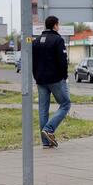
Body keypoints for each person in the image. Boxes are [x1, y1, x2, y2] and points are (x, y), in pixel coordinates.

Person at [32, 16, 71, 149]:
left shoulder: (36, 41)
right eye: (58, 24)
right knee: (65, 104)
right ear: (55, 25)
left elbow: (33, 62)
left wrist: (36, 76)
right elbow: (62, 60)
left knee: (43, 110)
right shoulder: (57, 40)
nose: (58, 27)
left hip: (40, 80)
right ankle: (49, 129)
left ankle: (46, 142)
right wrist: (64, 76)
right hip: (55, 79)